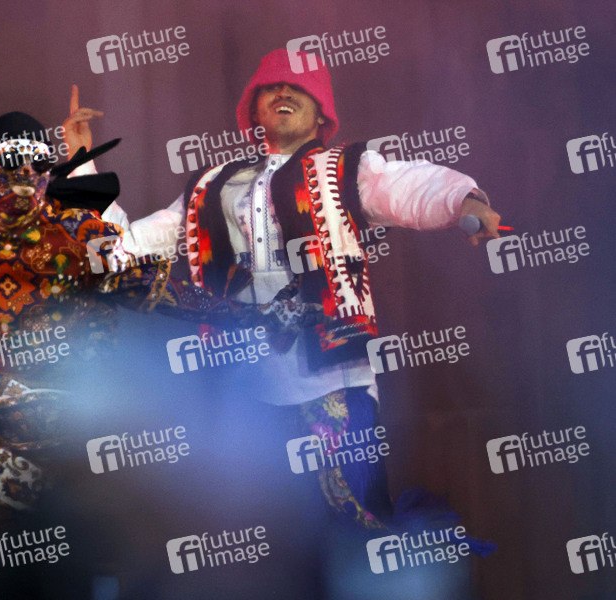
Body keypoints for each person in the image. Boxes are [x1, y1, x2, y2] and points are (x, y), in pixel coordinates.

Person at [0, 108, 314, 599]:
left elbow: (155, 290)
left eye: (39, 166)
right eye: (12, 165)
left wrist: (255, 315)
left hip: (65, 439)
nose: (27, 178)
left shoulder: (77, 234)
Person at [87, 49, 503, 531]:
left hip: (332, 382)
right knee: (260, 540)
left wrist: (464, 200)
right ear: (253, 109)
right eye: (271, 86)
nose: (283, 91)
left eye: (297, 87)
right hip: (243, 390)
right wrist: (83, 171)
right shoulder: (209, 186)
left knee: (353, 532)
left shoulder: (346, 169)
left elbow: (408, 185)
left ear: (322, 113)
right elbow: (126, 248)